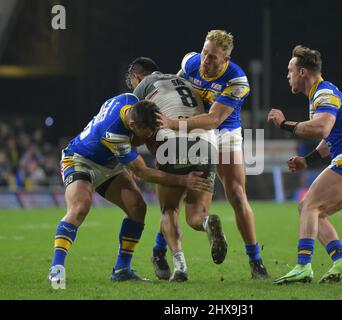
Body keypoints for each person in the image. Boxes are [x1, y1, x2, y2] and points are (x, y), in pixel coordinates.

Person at [47, 93, 211, 288]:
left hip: (108, 162)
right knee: (80, 207)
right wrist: (183, 180)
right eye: (146, 133)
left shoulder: (130, 99)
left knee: (137, 208)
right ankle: (56, 268)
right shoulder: (114, 133)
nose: (149, 137)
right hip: (80, 160)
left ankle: (121, 270)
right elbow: (143, 172)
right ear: (133, 125)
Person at [157, 30, 270, 279]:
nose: (205, 61)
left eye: (213, 58)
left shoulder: (237, 80)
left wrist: (173, 124)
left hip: (224, 133)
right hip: (192, 133)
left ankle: (256, 262)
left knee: (238, 194)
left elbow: (213, 119)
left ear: (226, 59)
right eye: (205, 52)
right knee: (177, 191)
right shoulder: (191, 61)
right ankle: (159, 251)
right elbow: (173, 89)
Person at [267, 45, 342, 284]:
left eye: (290, 70)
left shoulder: (323, 93)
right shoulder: (322, 94)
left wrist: (284, 124)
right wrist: (307, 161)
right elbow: (330, 139)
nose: (288, 76)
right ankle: (341, 260)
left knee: (309, 206)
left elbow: (321, 128)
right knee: (311, 210)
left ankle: (303, 267)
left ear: (303, 72)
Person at [126, 57, 228, 282]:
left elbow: (142, 126)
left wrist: (133, 158)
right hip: (206, 143)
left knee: (169, 210)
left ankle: (180, 267)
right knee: (195, 214)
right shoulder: (183, 81)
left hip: (172, 142)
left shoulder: (141, 89)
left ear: (137, 77)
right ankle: (206, 222)